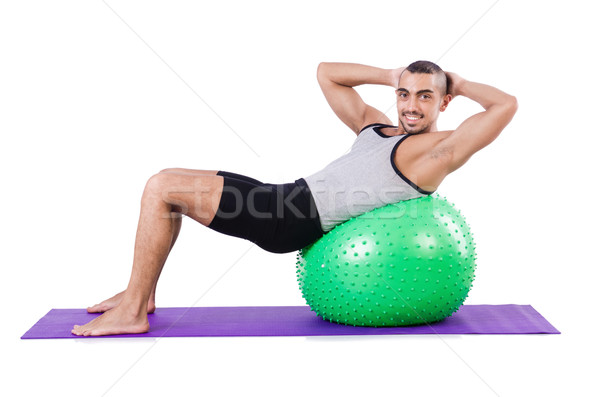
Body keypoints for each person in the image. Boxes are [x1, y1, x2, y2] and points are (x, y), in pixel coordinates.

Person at [71, 61, 517, 336]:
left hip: (288, 220)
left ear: (444, 104)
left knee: (160, 188)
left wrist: (457, 80)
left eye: (425, 96)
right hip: (281, 196)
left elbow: (505, 105)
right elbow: (327, 73)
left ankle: (132, 310)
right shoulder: (378, 129)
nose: (412, 106)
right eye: (404, 94)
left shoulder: (434, 153)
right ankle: (140, 294)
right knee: (166, 180)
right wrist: (390, 74)